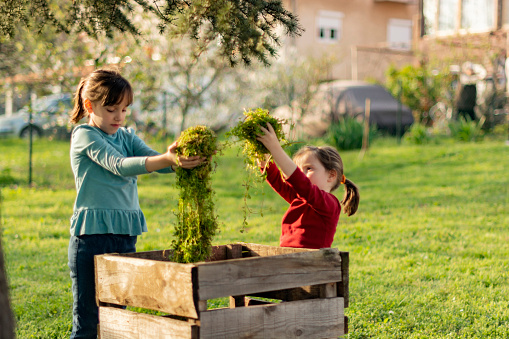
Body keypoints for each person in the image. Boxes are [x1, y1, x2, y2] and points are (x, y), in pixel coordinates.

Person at [67, 67, 204, 339]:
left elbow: (156, 161)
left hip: (125, 237)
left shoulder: (125, 136)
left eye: (124, 110)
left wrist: (182, 161)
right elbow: (119, 165)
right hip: (92, 238)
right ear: (89, 105)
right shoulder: (85, 135)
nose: (119, 116)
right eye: (111, 109)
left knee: (118, 318)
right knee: (88, 323)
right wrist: (166, 159)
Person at [256, 123, 359, 249]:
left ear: (331, 175)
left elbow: (300, 182)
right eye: (299, 170)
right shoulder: (299, 198)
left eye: (309, 169)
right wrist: (262, 153)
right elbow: (276, 180)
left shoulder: (330, 204)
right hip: (288, 261)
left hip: (311, 265)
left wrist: (275, 147)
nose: (302, 174)